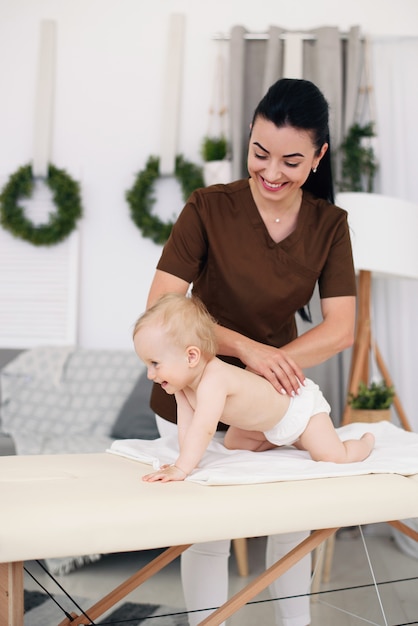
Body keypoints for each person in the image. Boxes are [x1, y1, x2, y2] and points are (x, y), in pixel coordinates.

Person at [145, 77, 357, 626]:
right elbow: (164, 303)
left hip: (271, 404)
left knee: (287, 524)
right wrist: (250, 351)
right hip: (191, 391)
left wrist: (271, 369)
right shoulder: (208, 208)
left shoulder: (329, 226)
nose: (270, 172)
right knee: (208, 534)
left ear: (319, 157)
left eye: (291, 160)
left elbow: (340, 329)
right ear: (248, 137)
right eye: (259, 153)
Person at [133, 293, 373, 482]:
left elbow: (203, 428)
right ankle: (288, 439)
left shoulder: (214, 378)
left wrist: (182, 469)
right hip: (264, 426)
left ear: (191, 356)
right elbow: (186, 428)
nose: (150, 374)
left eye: (155, 363)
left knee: (332, 457)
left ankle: (363, 445)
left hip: (297, 409)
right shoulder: (183, 387)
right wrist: (183, 462)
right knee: (233, 445)